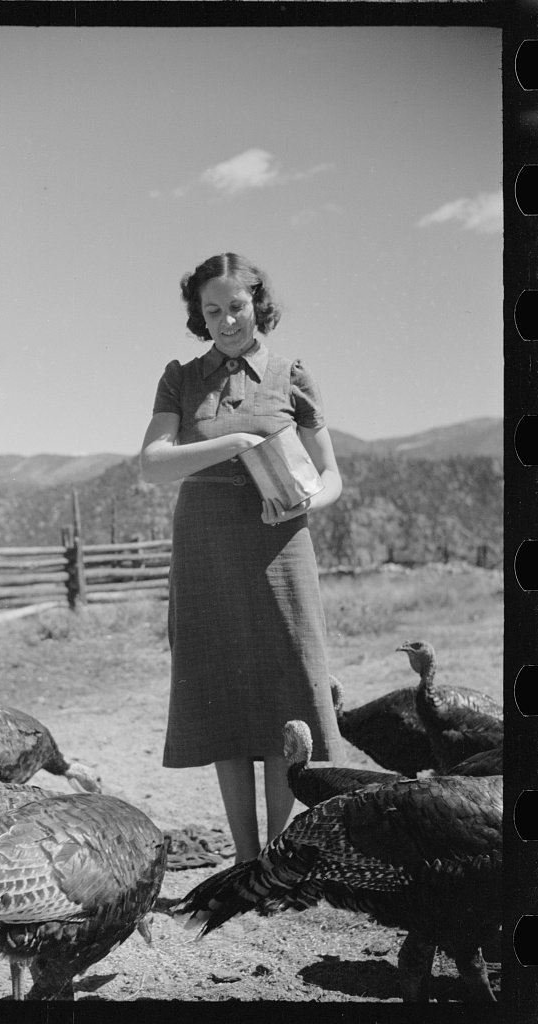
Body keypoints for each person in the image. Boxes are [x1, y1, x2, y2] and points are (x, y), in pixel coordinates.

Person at [140, 252, 345, 863]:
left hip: (281, 545)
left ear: (257, 303)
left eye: (236, 306)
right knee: (222, 690)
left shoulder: (290, 375)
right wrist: (235, 442)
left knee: (287, 689)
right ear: (198, 316)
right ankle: (244, 857)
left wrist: (302, 502)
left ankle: (278, 856)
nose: (227, 320)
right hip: (204, 548)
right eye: (212, 310)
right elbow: (152, 465)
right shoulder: (180, 377)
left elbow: (331, 475)